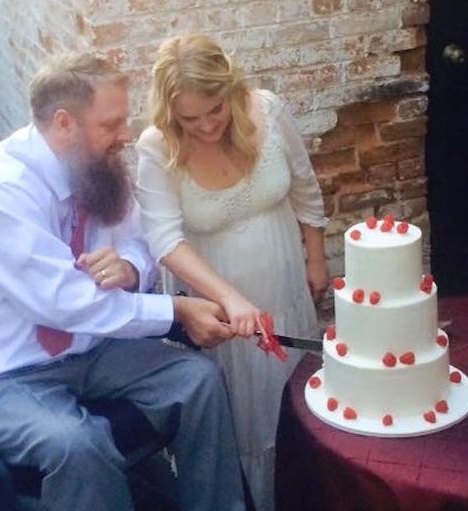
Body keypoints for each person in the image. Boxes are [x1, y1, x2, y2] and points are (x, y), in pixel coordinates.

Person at [0, 52, 247, 511]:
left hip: (82, 348)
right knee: (76, 445)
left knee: (197, 381)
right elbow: (63, 303)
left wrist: (130, 267)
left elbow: (139, 238)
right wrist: (177, 312)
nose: (125, 135)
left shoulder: (94, 167)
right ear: (64, 123)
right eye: (111, 124)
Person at [134, 33, 329, 511]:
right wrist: (231, 299)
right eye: (189, 119)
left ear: (231, 88)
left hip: (284, 286)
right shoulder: (157, 146)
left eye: (215, 110)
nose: (205, 126)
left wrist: (316, 257)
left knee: (294, 402)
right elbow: (164, 240)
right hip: (220, 311)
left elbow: (305, 187)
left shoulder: (268, 111)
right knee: (243, 422)